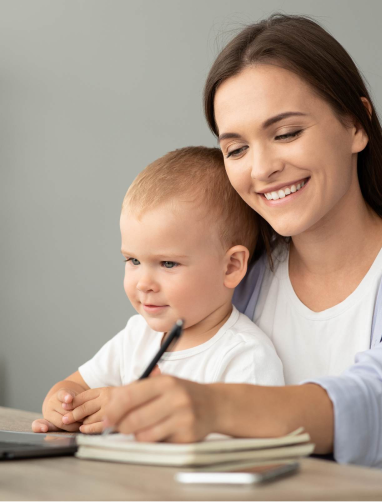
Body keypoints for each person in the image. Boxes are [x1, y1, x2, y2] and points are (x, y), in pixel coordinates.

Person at [102, 14, 382, 483]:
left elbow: (381, 401)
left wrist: (215, 406)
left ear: (356, 126)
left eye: (286, 133)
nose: (262, 168)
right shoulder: (239, 276)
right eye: (237, 149)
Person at [32, 146, 284, 434]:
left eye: (167, 263)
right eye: (134, 260)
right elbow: (75, 384)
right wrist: (65, 407)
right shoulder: (137, 336)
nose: (144, 283)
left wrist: (128, 412)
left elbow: (255, 448)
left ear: (230, 267)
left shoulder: (245, 357)